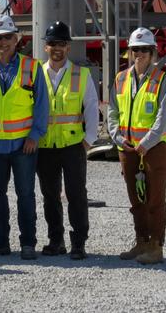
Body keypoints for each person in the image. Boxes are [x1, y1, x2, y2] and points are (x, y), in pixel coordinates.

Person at [0, 14, 47, 260]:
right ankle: (0, 243)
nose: (3, 42)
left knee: (25, 195)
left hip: (23, 145)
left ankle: (28, 243)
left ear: (16, 39)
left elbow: (42, 105)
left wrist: (34, 135)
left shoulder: (32, 67)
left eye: (8, 36)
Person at [108, 27, 166, 265]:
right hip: (127, 149)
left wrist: (146, 143)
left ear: (152, 52)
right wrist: (117, 137)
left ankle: (156, 246)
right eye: (135, 49)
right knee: (136, 200)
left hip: (153, 149)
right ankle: (141, 241)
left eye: (144, 49)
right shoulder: (120, 79)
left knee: (155, 199)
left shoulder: (162, 80)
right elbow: (112, 111)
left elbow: (163, 118)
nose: (140, 54)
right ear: (130, 51)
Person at [37, 20, 99, 260]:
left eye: (62, 43)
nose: (57, 48)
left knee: (76, 195)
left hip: (73, 146)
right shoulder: (37, 74)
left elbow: (91, 108)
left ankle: (78, 243)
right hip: (46, 146)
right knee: (50, 196)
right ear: (46, 47)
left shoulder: (81, 74)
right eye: (53, 43)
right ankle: (56, 241)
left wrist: (88, 140)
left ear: (68, 47)